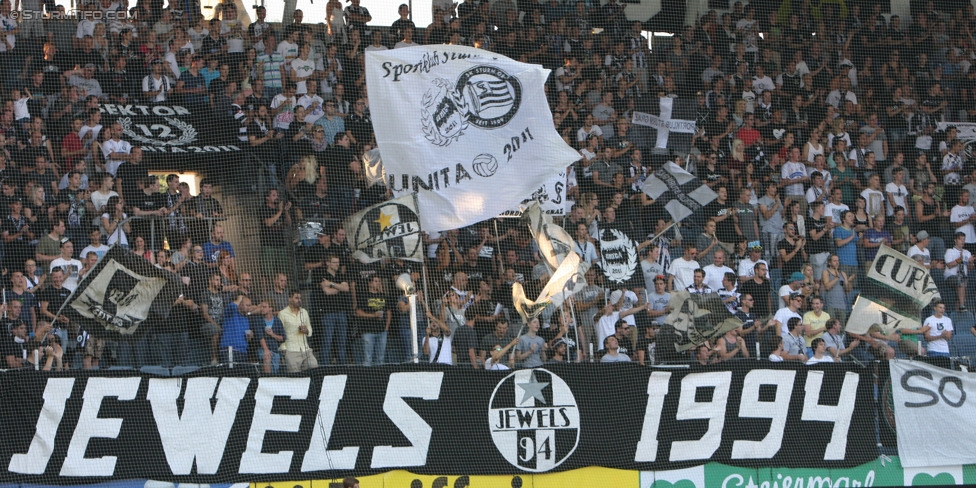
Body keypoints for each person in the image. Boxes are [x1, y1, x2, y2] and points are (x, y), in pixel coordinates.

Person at [278, 289, 318, 372]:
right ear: (289, 299)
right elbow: (280, 332)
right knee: (295, 375)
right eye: (296, 298)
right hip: (291, 350)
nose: (299, 300)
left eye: (300, 298)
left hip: (305, 349)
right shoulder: (282, 313)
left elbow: (310, 330)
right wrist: (284, 349)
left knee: (314, 366)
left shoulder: (304, 312)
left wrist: (306, 330)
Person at [356, 274, 390, 366]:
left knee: (380, 358)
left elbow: (388, 312)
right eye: (375, 281)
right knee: (368, 358)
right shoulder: (364, 296)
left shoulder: (383, 296)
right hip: (368, 331)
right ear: (370, 283)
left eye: (379, 281)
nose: (378, 283)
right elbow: (358, 312)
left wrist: (386, 327)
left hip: (382, 331)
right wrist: (373, 315)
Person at [944, 232, 975, 312]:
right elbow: (949, 265)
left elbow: (970, 268)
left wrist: (971, 262)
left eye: (963, 239)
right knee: (961, 280)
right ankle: (962, 305)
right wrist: (960, 259)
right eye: (960, 239)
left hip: (963, 277)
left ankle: (959, 311)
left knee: (962, 284)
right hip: (951, 277)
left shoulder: (967, 253)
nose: (962, 241)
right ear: (955, 240)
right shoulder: (950, 251)